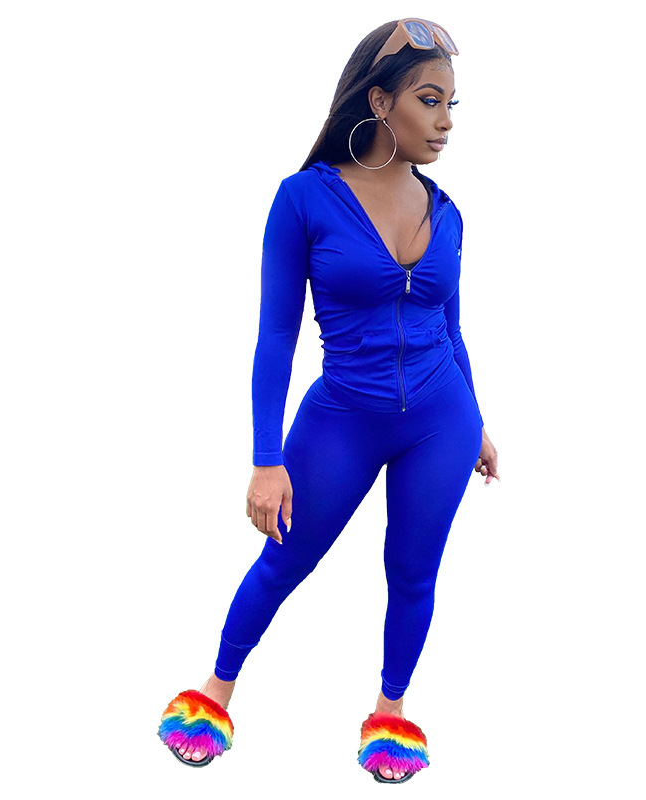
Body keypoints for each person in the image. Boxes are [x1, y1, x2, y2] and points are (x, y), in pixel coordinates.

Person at [157, 18, 500, 784]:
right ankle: (214, 692)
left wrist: (477, 420)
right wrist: (266, 457)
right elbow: (275, 335)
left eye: (451, 104)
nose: (446, 121)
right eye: (429, 100)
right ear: (379, 101)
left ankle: (390, 713)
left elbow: (451, 329)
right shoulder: (303, 199)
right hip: (342, 417)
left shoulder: (447, 211)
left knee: (413, 572)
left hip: (443, 422)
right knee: (285, 560)